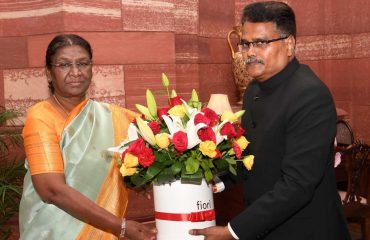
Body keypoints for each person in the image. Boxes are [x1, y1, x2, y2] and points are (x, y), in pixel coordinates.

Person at [190, 1, 351, 240]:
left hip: (306, 230)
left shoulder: (310, 95)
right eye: (245, 43)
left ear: (289, 44)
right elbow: (250, 158)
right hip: (266, 226)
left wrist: (234, 231)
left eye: (261, 43)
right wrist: (211, 181)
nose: (250, 52)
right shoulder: (254, 91)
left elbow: (297, 185)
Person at [19, 34, 157, 240]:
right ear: (49, 73)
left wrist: (136, 178)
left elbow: (153, 140)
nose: (75, 72)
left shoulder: (112, 117)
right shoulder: (41, 116)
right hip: (51, 232)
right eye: (64, 65)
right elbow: (51, 190)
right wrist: (121, 227)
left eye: (82, 63)